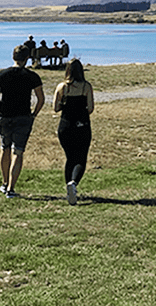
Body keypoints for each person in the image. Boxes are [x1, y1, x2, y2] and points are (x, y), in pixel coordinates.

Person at [0, 44, 45, 198]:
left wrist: (1, 110)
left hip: (5, 116)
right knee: (18, 151)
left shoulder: (2, 75)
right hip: (23, 116)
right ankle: (11, 188)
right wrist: (34, 114)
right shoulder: (32, 76)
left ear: (13, 57)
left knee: (5, 148)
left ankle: (4, 182)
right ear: (27, 58)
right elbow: (41, 99)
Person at [53, 58, 95, 205]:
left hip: (65, 126)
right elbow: (90, 108)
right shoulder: (86, 87)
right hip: (82, 125)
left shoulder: (62, 87)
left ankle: (69, 188)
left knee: (70, 158)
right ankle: (74, 183)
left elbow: (56, 108)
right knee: (81, 157)